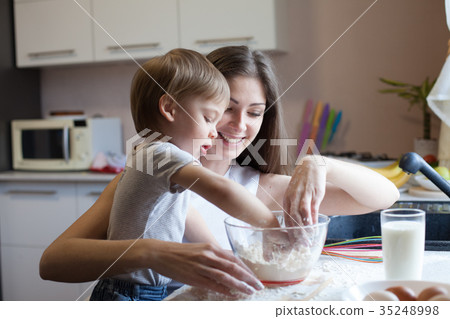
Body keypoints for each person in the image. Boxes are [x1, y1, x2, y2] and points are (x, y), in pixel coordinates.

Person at [39, 46, 399, 299]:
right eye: (225, 109)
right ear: (179, 105)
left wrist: (316, 163)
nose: (239, 125)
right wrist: (151, 253)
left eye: (255, 112)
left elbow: (386, 196)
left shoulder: (263, 186)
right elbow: (52, 263)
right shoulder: (146, 172)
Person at [88, 48, 280, 301]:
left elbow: (195, 225)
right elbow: (223, 191)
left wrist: (231, 267)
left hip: (148, 291)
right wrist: (274, 229)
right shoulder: (158, 153)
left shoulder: (160, 171)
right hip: (127, 295)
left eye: (255, 112)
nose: (213, 131)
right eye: (210, 118)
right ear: (169, 108)